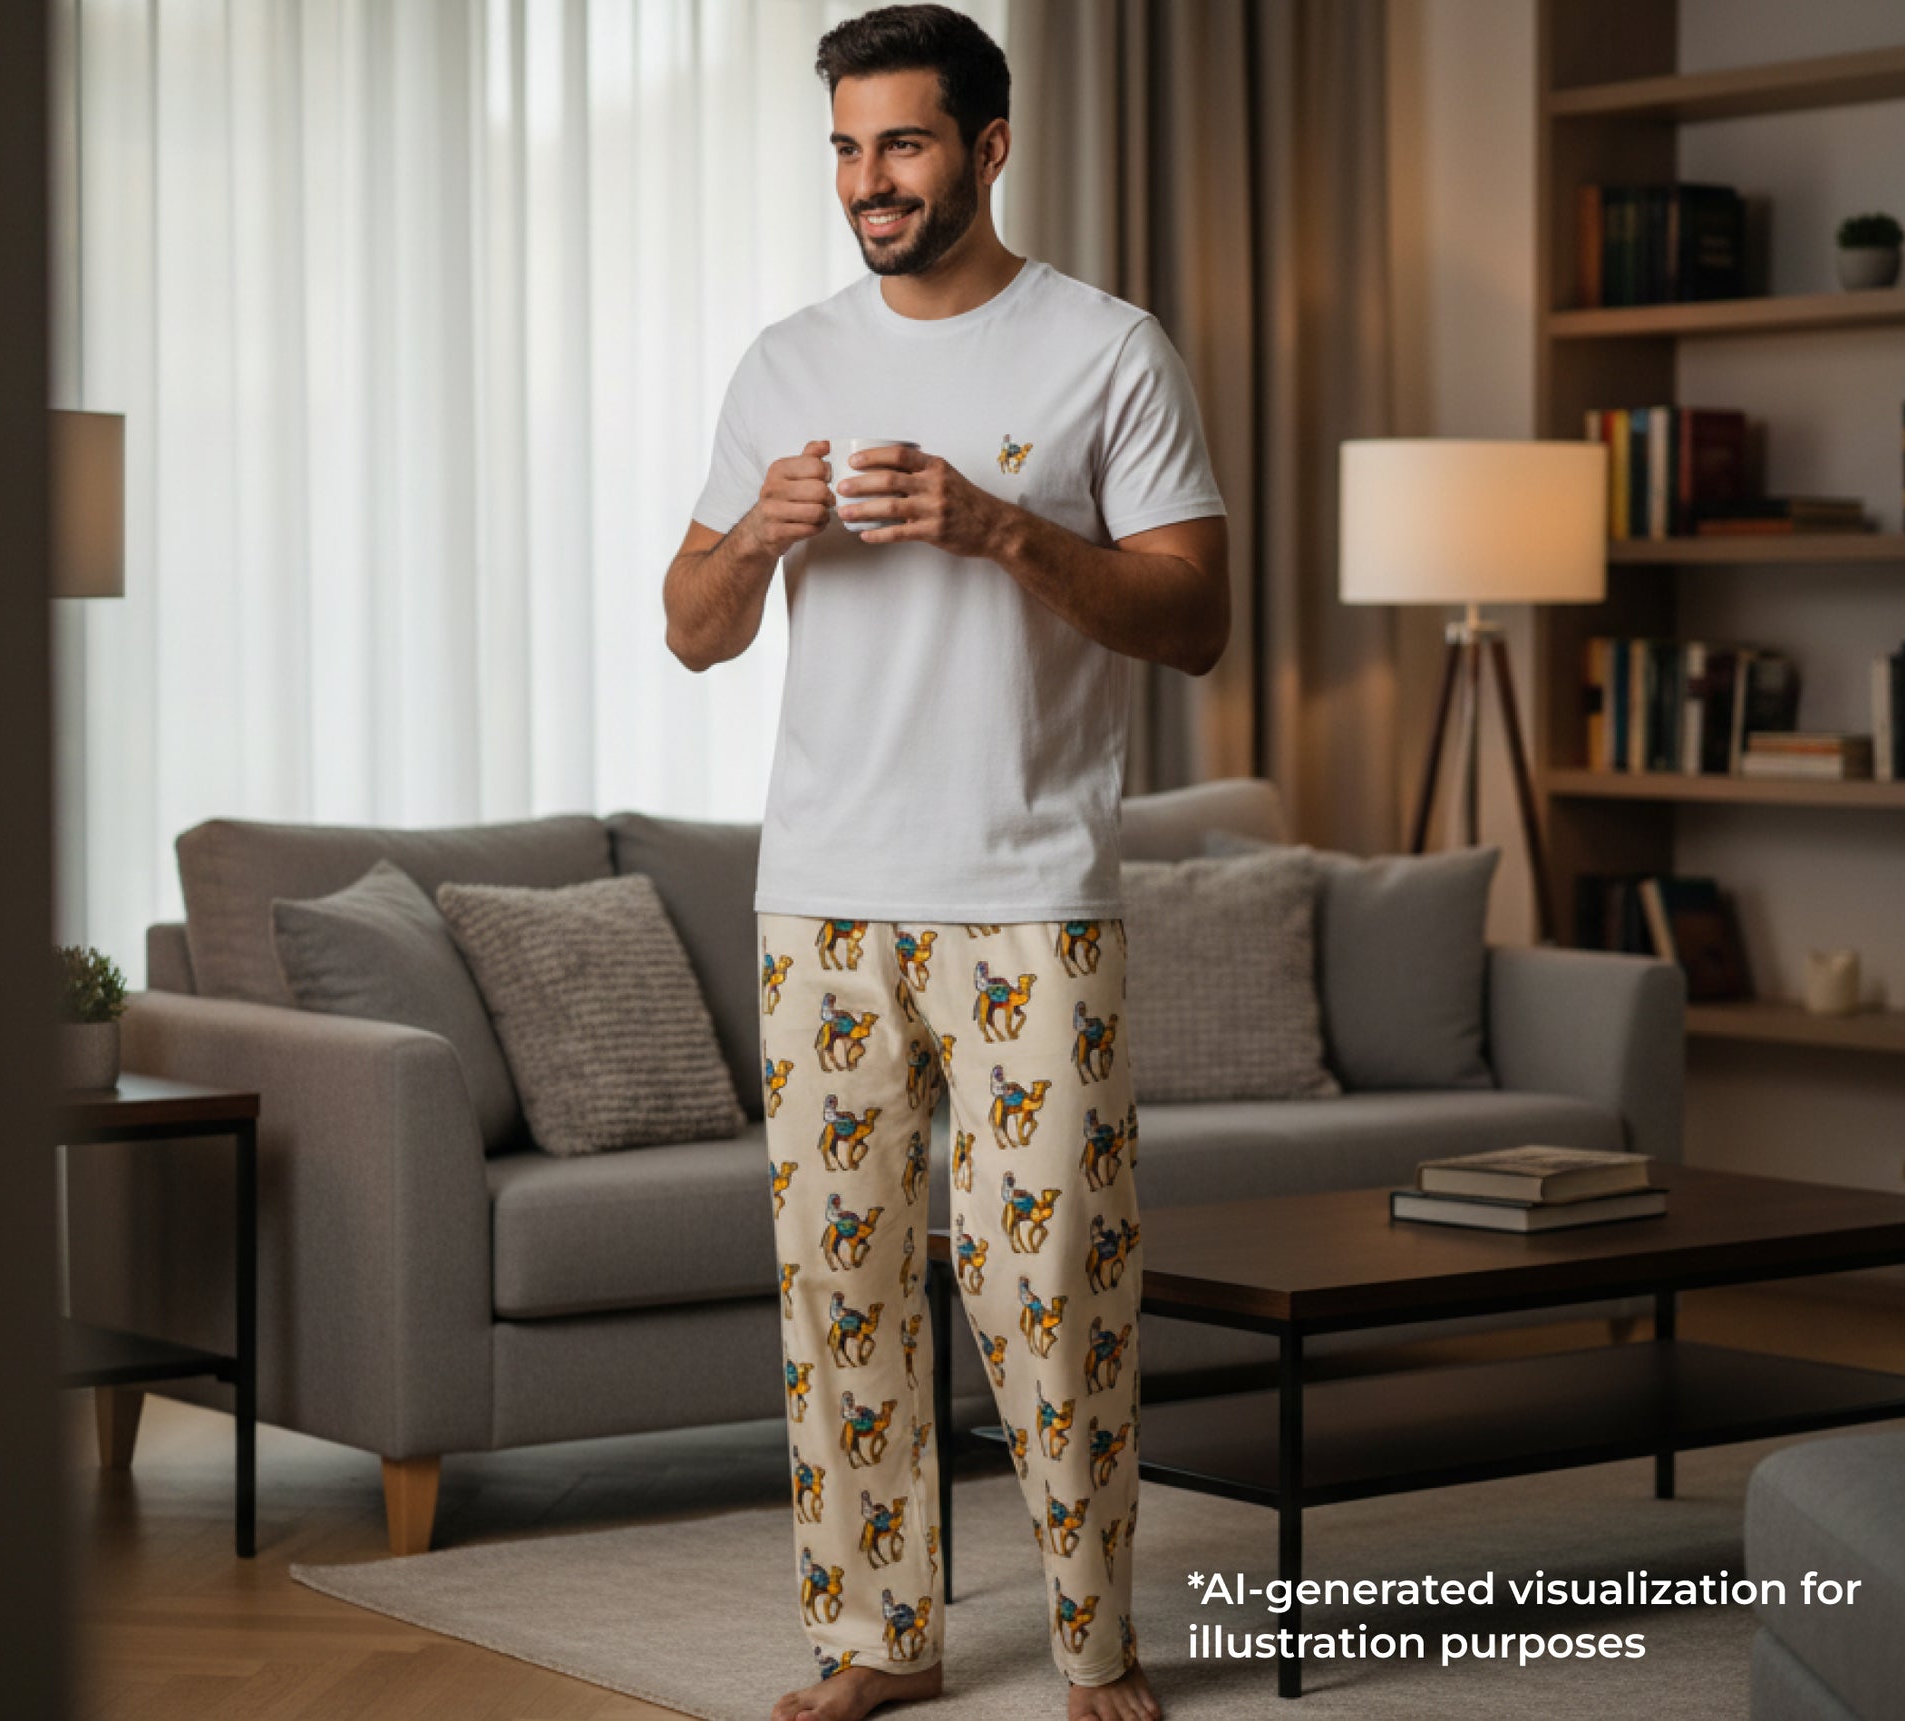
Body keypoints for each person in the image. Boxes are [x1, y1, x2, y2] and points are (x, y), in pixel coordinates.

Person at [664, 7, 1228, 1719]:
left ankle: (1089, 1640)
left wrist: (996, 526)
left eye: (901, 145)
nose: (867, 182)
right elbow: (690, 628)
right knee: (840, 1283)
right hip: (819, 896)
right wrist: (754, 538)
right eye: (844, 147)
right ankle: (873, 1636)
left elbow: (1193, 615)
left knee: (1049, 1278)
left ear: (986, 146)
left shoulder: (1107, 349)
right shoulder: (785, 358)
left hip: (1030, 891)